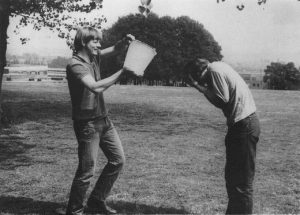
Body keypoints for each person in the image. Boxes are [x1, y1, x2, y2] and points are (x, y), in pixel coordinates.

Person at [61, 27, 134, 215]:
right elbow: (95, 87)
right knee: (86, 171)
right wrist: (123, 71)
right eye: (95, 41)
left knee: (118, 161)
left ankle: (96, 201)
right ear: (84, 42)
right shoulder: (75, 65)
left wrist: (124, 41)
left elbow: (115, 49)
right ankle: (75, 210)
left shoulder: (93, 56)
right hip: (87, 125)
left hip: (104, 120)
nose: (99, 45)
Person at [184, 58, 261, 214]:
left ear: (199, 73)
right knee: (233, 177)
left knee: (241, 181)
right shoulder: (219, 66)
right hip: (241, 124)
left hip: (244, 125)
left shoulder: (214, 71)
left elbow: (222, 100)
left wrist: (199, 87)